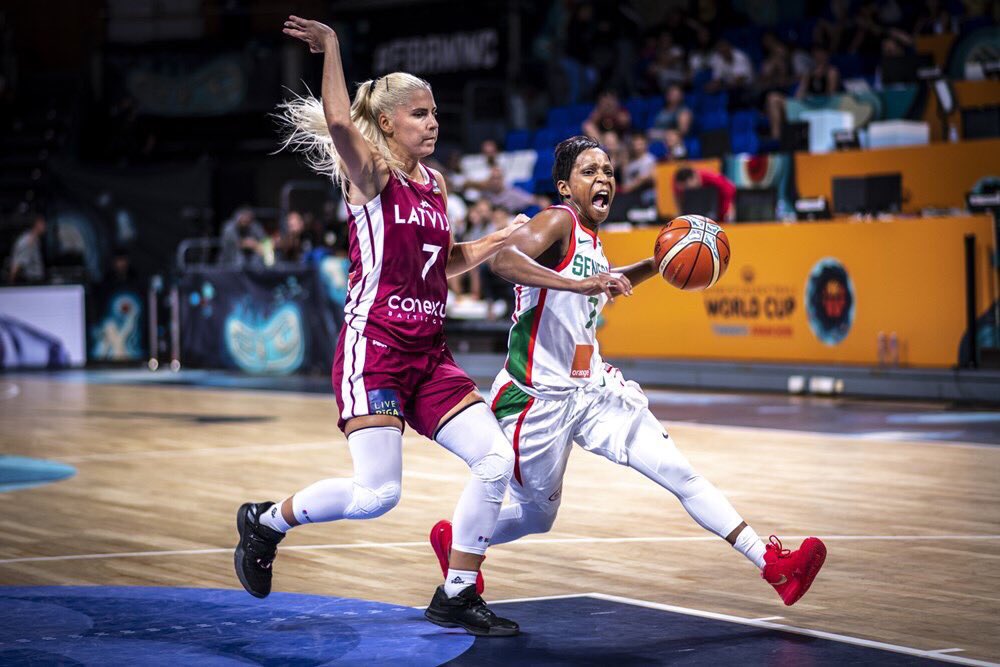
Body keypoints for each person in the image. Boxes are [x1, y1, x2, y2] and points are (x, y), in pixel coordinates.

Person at [428, 135, 827, 607]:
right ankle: (463, 543)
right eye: (590, 171)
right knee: (538, 517)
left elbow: (603, 282)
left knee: (679, 472)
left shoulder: (593, 244)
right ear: (565, 186)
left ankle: (772, 566)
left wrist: (657, 264)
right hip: (536, 400)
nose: (604, 179)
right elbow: (506, 260)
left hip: (592, 391)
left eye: (609, 172)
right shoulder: (557, 221)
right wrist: (581, 282)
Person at [234, 14, 533, 637]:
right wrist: (334, 48)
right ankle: (266, 522)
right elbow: (340, 121)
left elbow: (441, 262)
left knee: (494, 461)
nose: (434, 122)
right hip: (375, 347)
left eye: (434, 113)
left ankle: (456, 591)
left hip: (429, 351)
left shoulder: (436, 185)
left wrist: (495, 240)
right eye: (421, 113)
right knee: (377, 496)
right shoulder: (368, 173)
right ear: (391, 121)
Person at [648, 84, 692, 158]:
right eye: (671, 94)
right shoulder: (662, 111)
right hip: (657, 138)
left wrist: (664, 134)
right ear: (667, 96)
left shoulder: (683, 111)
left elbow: (683, 131)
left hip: (673, 138)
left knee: (673, 144)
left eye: (676, 94)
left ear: (681, 96)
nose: (674, 97)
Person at [7, 215, 46, 284]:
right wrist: (10, 285)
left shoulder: (35, 239)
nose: (45, 225)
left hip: (37, 281)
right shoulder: (28, 241)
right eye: (42, 223)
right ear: (36, 224)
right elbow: (17, 265)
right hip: (30, 282)